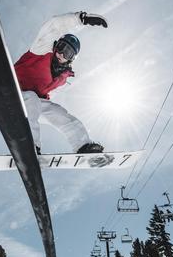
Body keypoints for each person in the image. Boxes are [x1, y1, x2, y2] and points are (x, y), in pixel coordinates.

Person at [14, 11, 108, 155]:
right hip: (12, 92)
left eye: (68, 53)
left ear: (71, 59)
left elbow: (45, 95)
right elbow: (53, 26)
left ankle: (83, 147)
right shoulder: (42, 50)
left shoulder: (62, 78)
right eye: (61, 48)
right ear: (56, 45)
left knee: (61, 115)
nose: (61, 54)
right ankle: (29, 146)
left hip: (33, 105)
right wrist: (80, 19)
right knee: (32, 99)